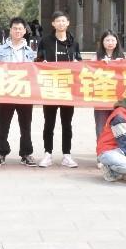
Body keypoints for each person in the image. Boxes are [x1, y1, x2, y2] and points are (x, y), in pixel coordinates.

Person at [37, 10, 82, 168]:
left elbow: (79, 61)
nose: (61, 23)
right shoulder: (45, 41)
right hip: (50, 88)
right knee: (49, 123)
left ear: (68, 23)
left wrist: (77, 63)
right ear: (53, 24)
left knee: (67, 124)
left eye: (63, 21)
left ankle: (66, 155)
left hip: (68, 89)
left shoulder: (73, 43)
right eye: (58, 21)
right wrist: (42, 63)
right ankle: (47, 154)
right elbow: (38, 60)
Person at [0, 17, 38, 167]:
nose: (17, 31)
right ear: (10, 30)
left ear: (24, 31)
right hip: (6, 91)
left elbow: (34, 71)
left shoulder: (30, 51)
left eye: (20, 29)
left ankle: (26, 153)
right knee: (3, 124)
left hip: (25, 92)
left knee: (26, 125)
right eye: (15, 28)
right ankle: (1, 152)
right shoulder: (0, 50)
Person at [96, 81, 126, 187]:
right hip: (108, 150)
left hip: (120, 148)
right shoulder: (120, 115)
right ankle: (110, 171)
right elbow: (125, 142)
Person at [94, 30, 125, 136]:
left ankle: (117, 146)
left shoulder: (121, 57)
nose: (110, 43)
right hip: (101, 98)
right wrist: (99, 64)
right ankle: (101, 146)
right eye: (107, 40)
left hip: (117, 99)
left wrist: (122, 65)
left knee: (118, 125)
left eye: (112, 40)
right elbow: (89, 72)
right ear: (102, 42)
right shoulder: (96, 57)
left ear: (117, 42)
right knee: (101, 126)